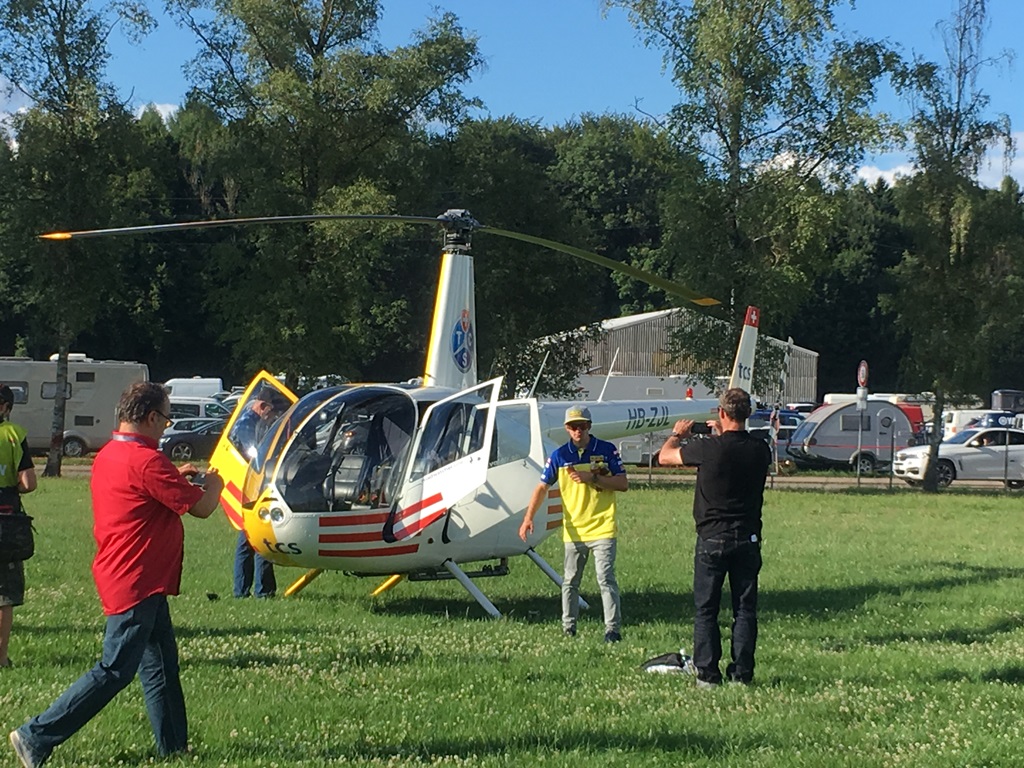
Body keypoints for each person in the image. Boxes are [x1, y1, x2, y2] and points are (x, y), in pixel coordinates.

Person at [9, 381, 224, 767]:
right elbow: (203, 508)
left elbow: (149, 488)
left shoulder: (112, 453)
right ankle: (36, 735)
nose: (166, 427)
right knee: (114, 670)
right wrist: (215, 484)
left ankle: (174, 748)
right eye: (166, 417)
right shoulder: (147, 460)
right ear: (151, 417)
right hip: (136, 579)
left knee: (160, 666)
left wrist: (177, 475)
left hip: (138, 576)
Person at [658, 387, 771, 688]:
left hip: (712, 537)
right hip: (747, 537)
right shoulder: (761, 449)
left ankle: (708, 674)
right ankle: (742, 675)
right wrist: (721, 435)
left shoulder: (709, 448)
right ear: (748, 414)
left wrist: (678, 434)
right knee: (744, 609)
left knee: (706, 609)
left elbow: (665, 458)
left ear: (721, 413)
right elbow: (736, 449)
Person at [519, 405, 628, 642]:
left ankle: (612, 630)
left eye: (582, 426)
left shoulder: (606, 450)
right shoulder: (559, 456)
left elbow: (622, 484)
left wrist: (594, 478)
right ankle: (568, 628)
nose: (578, 431)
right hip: (573, 529)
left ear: (589, 426)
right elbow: (542, 487)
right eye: (573, 427)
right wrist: (528, 518)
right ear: (567, 429)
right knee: (570, 582)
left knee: (605, 578)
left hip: (603, 526)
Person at [229, 391, 283, 598]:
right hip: (253, 488)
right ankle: (260, 590)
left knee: (251, 540)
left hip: (253, 487)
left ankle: (249, 590)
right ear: (262, 406)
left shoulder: (251, 423)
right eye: (269, 409)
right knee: (256, 538)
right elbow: (256, 454)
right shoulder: (247, 425)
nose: (271, 415)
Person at [0, 384, 37, 669]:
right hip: (5, 519)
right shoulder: (14, 435)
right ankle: (0, 658)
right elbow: (28, 483)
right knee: (4, 594)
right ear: (7, 407)